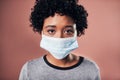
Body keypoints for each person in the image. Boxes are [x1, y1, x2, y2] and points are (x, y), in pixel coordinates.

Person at [19, 0, 101, 80]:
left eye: (68, 31)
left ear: (77, 32)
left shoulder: (91, 70)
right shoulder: (29, 70)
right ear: (41, 31)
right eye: (51, 31)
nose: (59, 38)